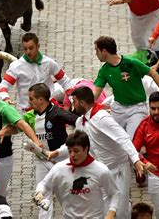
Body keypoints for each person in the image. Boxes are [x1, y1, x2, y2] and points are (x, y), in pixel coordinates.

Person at [49, 86, 145, 219]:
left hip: (119, 170)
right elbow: (75, 144)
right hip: (100, 172)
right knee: (106, 210)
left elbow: (123, 138)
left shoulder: (102, 118)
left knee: (120, 212)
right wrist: (57, 152)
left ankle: (126, 208)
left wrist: (136, 160)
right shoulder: (80, 122)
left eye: (74, 102)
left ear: (82, 103)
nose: (72, 106)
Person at [0, 83, 78, 218]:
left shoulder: (57, 113)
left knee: (68, 195)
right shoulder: (30, 115)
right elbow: (17, 127)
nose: (29, 102)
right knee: (42, 195)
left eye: (31, 99)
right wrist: (3, 132)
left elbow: (78, 121)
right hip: (41, 160)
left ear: (41, 100)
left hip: (61, 161)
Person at [92, 36, 159, 137]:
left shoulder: (131, 62)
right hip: (118, 110)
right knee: (115, 141)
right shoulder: (104, 71)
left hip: (137, 109)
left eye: (97, 50)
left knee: (132, 142)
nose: (96, 53)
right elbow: (95, 94)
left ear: (104, 51)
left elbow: (153, 73)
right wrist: (83, 102)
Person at [35, 130, 119, 218]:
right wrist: (40, 192)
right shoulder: (59, 168)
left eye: (76, 151)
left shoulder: (101, 170)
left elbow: (114, 194)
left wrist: (110, 214)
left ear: (86, 149)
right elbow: (44, 184)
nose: (72, 155)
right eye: (69, 151)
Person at [0, 33, 71, 112]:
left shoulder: (49, 62)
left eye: (31, 48)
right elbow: (3, 87)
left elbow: (64, 81)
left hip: (49, 110)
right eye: (25, 49)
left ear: (38, 46)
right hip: (27, 112)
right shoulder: (16, 66)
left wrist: (70, 99)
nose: (28, 52)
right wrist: (6, 98)